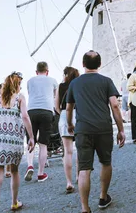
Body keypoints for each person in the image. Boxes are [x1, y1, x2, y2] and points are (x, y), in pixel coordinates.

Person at [66, 51, 125, 213]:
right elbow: (114, 105)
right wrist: (121, 129)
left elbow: (68, 107)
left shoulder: (75, 83)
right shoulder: (106, 81)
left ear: (83, 64)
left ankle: (85, 208)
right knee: (105, 162)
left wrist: (70, 124)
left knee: (84, 168)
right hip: (103, 128)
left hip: (83, 129)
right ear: (99, 64)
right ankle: (103, 197)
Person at [0, 72, 34, 213]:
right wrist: (31, 137)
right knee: (15, 171)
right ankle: (14, 202)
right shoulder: (20, 98)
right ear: (17, 85)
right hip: (15, 143)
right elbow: (25, 116)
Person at [24, 61, 57, 183]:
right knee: (43, 145)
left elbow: (30, 94)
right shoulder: (53, 81)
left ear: (36, 72)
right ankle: (40, 173)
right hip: (46, 111)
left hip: (31, 111)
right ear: (47, 71)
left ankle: (30, 165)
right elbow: (55, 97)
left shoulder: (30, 81)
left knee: (30, 140)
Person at [55, 66, 80, 194]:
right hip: (79, 115)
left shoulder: (61, 86)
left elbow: (56, 106)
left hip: (65, 115)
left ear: (65, 74)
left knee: (68, 152)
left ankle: (69, 182)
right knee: (80, 149)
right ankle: (78, 176)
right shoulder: (79, 85)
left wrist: (63, 114)